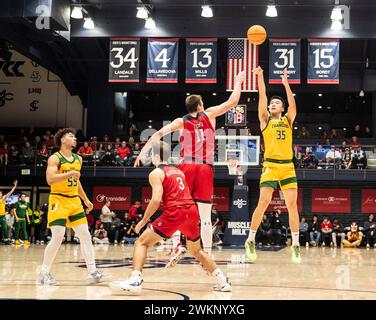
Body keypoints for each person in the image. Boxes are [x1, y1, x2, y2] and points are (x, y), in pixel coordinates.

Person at [134, 71, 245, 259]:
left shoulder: (180, 121)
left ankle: (176, 244)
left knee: (177, 206)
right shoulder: (209, 114)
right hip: (204, 167)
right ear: (201, 105)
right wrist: (238, 81)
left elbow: (156, 135)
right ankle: (207, 256)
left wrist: (142, 153)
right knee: (205, 217)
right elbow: (232, 102)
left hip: (185, 167)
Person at [109, 142, 231, 294]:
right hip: (191, 211)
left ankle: (135, 279)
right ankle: (223, 281)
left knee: (141, 242)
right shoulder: (178, 171)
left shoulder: (155, 173)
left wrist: (143, 220)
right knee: (196, 251)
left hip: (176, 211)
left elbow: (155, 200)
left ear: (155, 157)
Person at [37, 128, 109, 285]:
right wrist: (69, 174)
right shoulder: (55, 158)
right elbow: (50, 179)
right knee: (57, 237)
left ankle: (93, 272)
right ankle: (44, 272)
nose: (75, 139)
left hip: (74, 201)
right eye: (71, 136)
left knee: (85, 235)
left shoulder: (78, 159)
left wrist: (86, 199)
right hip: (58, 200)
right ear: (63, 140)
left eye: (75, 137)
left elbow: (76, 181)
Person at [244, 67, 301, 263]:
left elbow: (293, 106)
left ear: (282, 108)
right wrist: (260, 77)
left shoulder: (288, 119)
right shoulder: (265, 120)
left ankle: (295, 244)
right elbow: (262, 96)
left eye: (276, 103)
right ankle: (250, 239)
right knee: (264, 202)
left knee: (292, 205)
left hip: (287, 166)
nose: (272, 104)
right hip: (270, 165)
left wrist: (286, 83)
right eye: (271, 103)